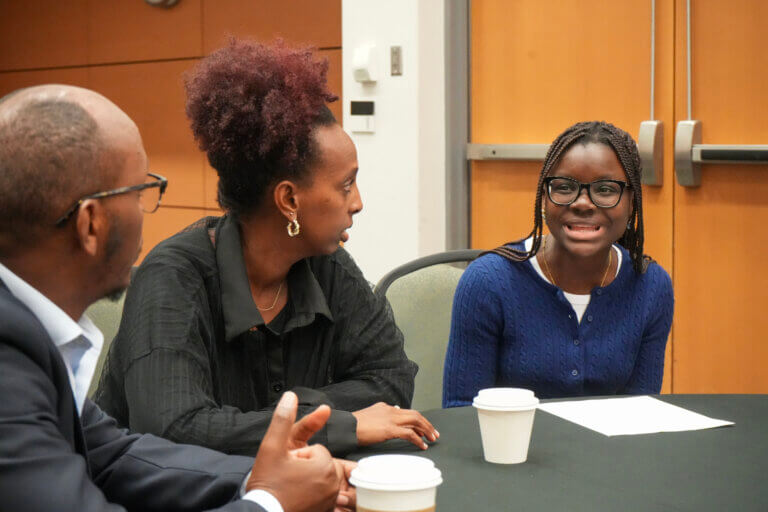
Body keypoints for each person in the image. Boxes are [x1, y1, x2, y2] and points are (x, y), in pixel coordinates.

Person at [0, 84, 357, 512]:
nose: (145, 212)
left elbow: (111, 456)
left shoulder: (29, 334)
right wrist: (270, 503)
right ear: (90, 224)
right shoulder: (7, 367)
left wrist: (261, 479)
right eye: (139, 193)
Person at [95, 39, 438, 457]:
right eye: (346, 185)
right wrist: (335, 424)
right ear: (289, 200)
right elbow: (173, 430)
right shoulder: (172, 277)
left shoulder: (326, 263)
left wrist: (257, 423)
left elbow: (390, 378)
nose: (358, 202)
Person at [443, 121, 674, 404]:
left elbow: (641, 413)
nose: (583, 203)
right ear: (543, 198)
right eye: (564, 187)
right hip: (510, 448)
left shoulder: (650, 286)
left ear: (631, 204)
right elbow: (461, 411)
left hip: (610, 449)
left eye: (605, 189)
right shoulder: (489, 282)